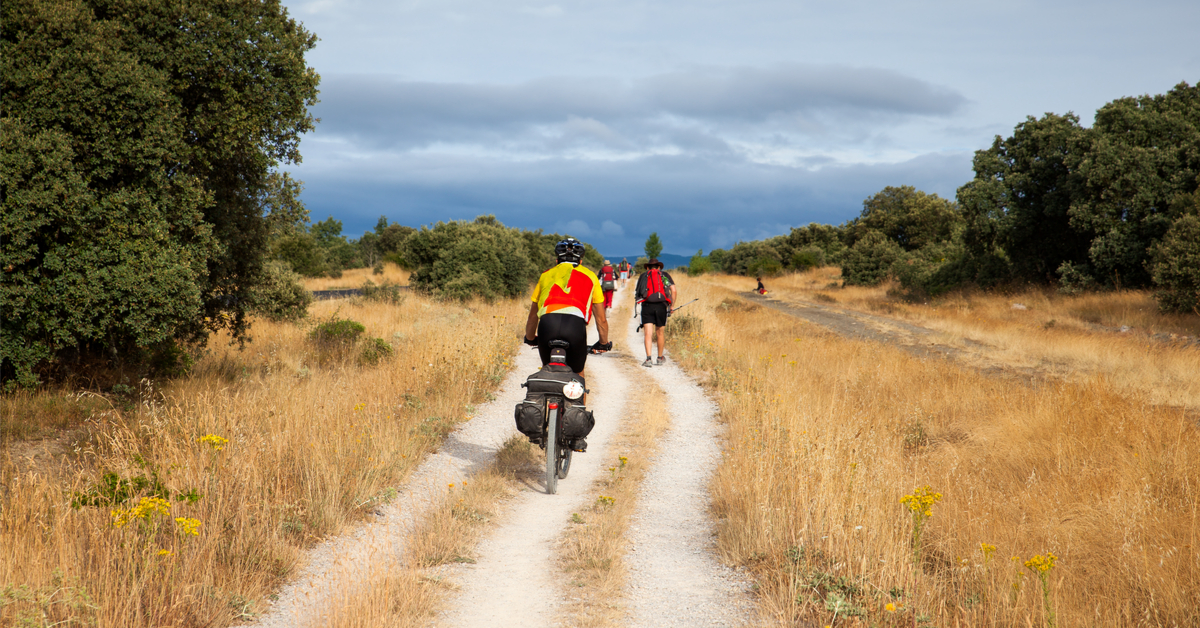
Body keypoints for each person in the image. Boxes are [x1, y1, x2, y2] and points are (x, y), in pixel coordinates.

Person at [634, 258, 677, 367]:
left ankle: (648, 359)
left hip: (647, 305)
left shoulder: (643, 275)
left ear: (648, 267)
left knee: (648, 333)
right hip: (661, 306)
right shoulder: (665, 275)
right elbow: (674, 290)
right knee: (660, 333)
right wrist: (671, 306)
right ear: (658, 267)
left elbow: (638, 292)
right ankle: (659, 358)